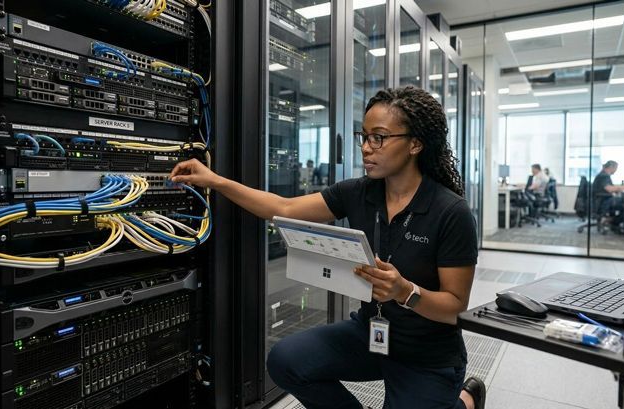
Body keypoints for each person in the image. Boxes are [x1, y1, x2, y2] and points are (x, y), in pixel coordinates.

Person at [169, 86, 486, 409]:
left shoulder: (451, 212)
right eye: (362, 136)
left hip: (427, 353)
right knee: (285, 360)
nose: (365, 148)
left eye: (378, 138)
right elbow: (285, 208)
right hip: (372, 335)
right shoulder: (359, 192)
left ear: (415, 144)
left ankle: (466, 400)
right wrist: (215, 181)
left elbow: (455, 308)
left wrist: (405, 291)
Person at [592, 160, 624, 228]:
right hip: (603, 201)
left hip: (602, 200)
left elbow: (609, 189)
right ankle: (611, 221)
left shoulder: (603, 175)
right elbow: (609, 189)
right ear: (611, 167)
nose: (616, 170)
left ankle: (611, 222)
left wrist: (620, 188)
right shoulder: (604, 176)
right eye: (616, 168)